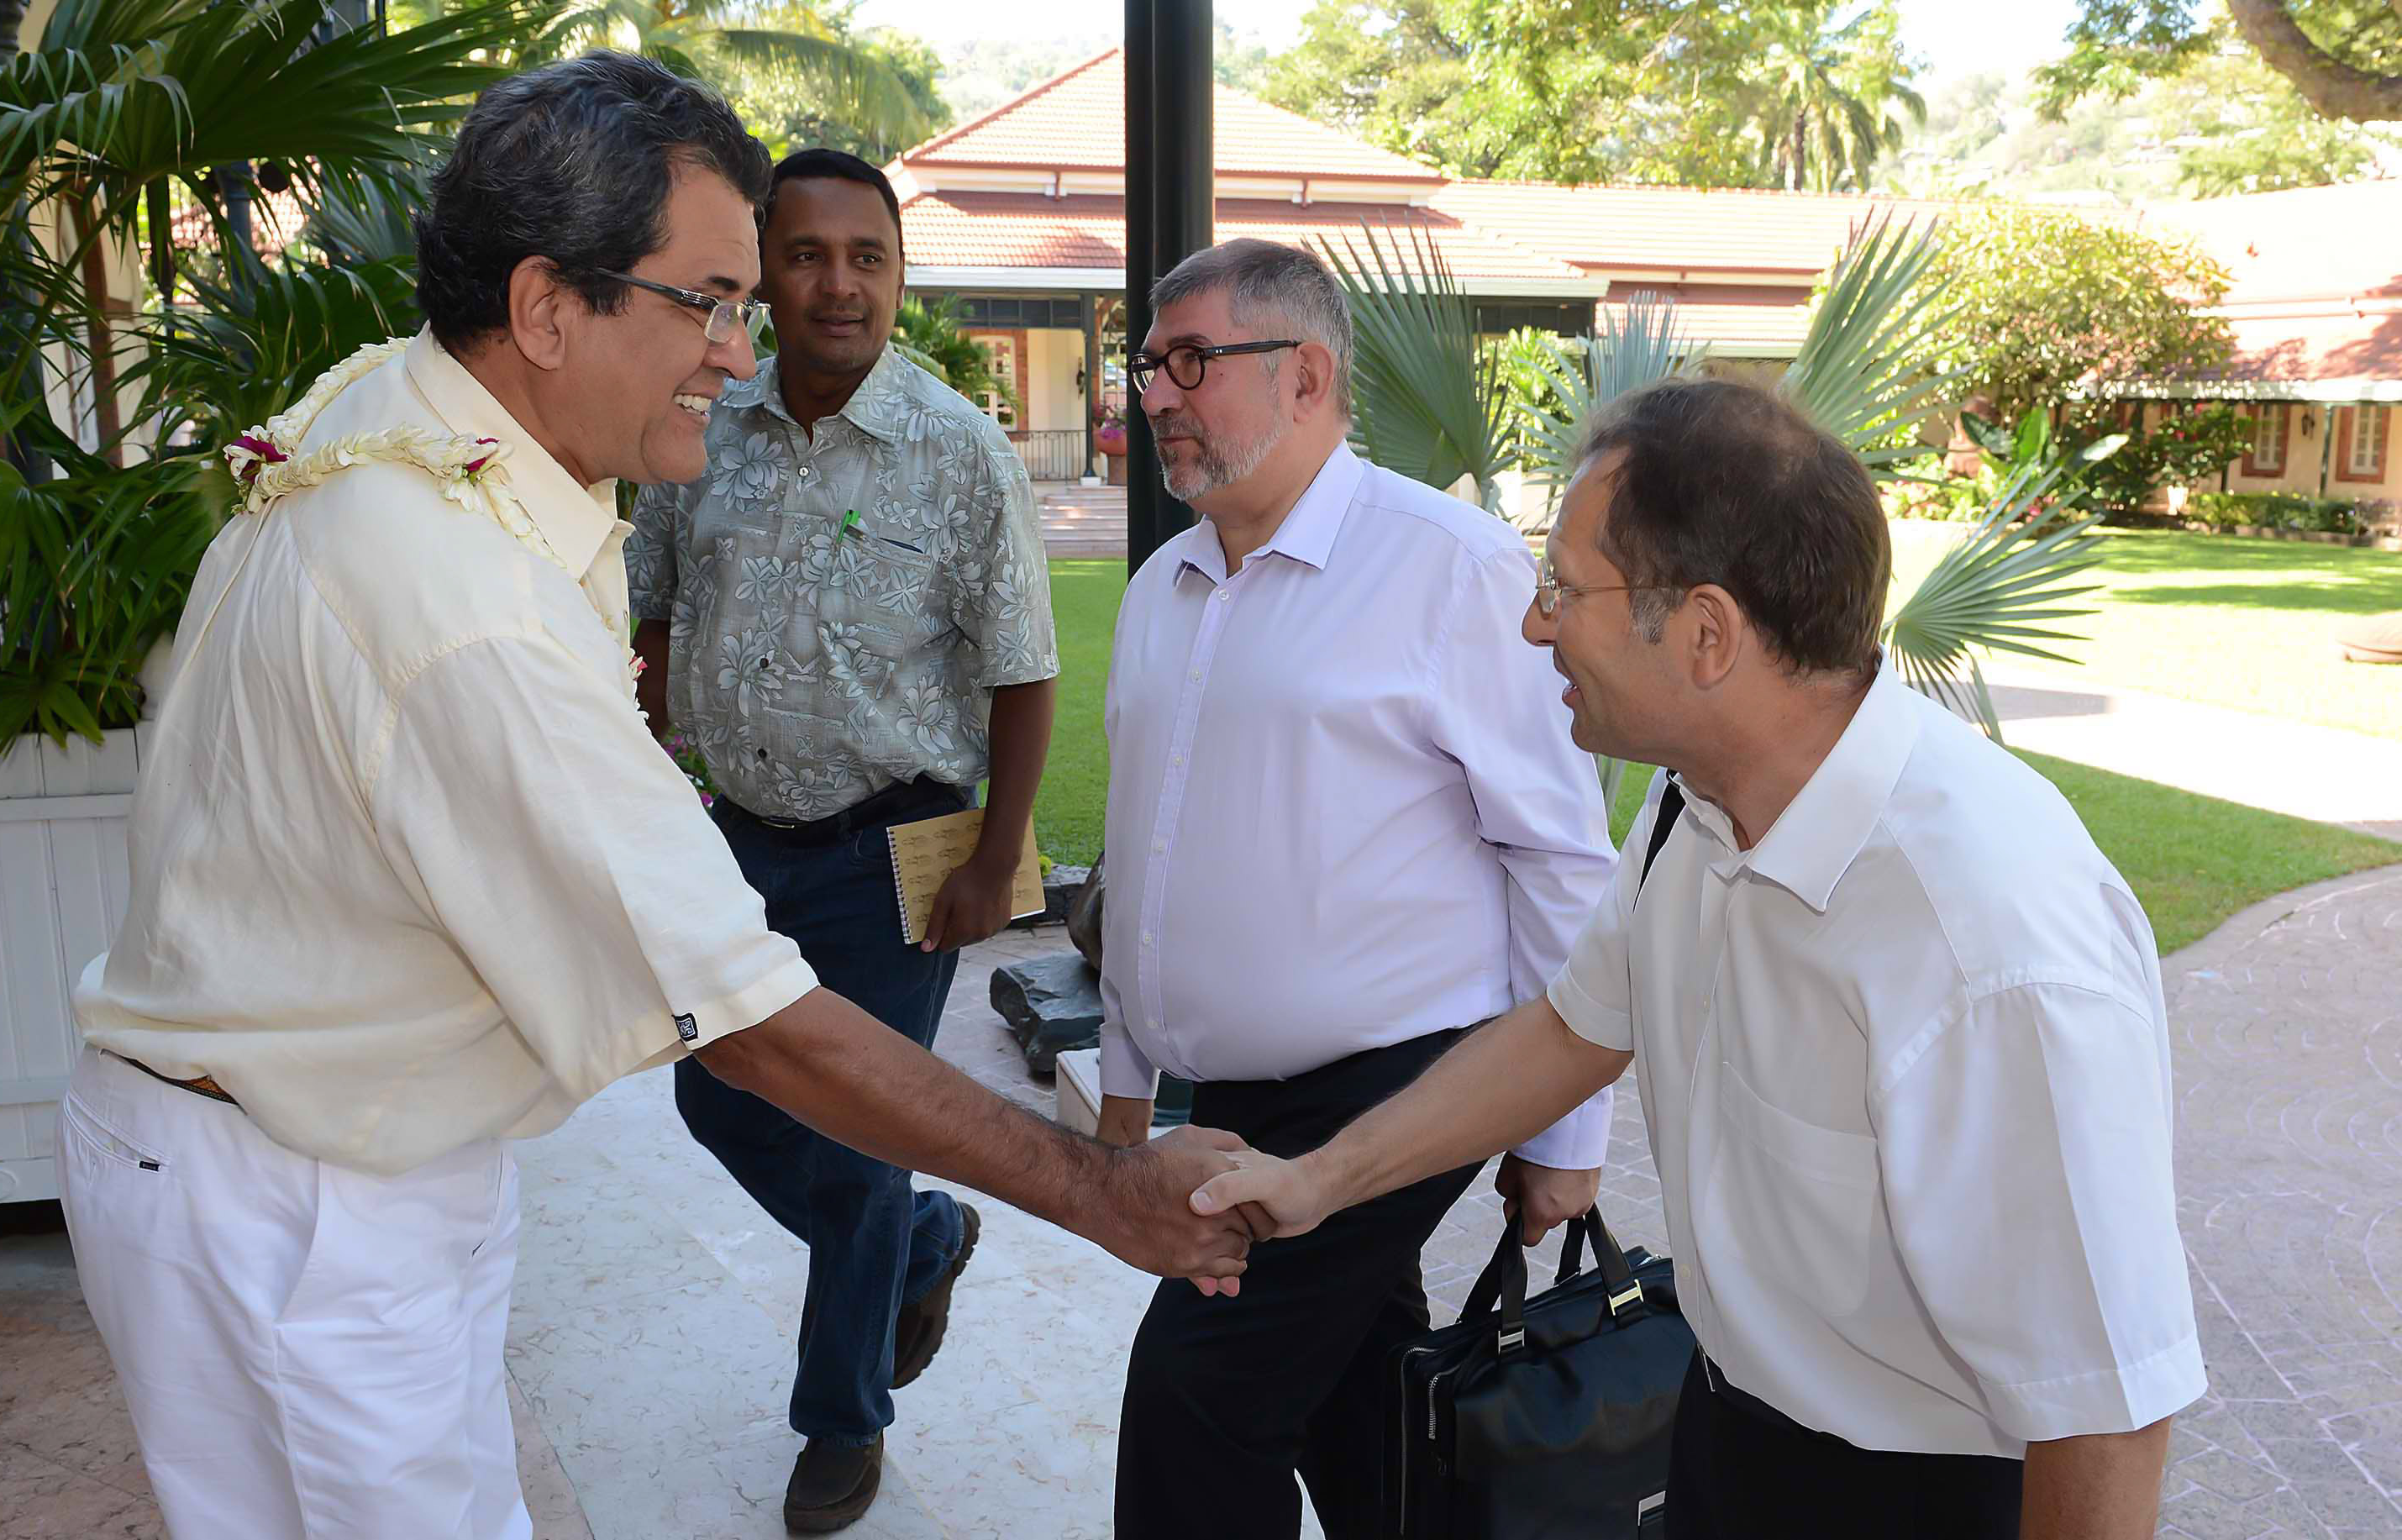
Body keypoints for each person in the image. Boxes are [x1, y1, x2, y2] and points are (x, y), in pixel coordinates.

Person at [56, 54, 1248, 1540]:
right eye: (713, 300)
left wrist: (990, 854)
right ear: (550, 305)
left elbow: (999, 669)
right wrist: (1102, 1189)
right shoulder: (458, 599)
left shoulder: (400, 405)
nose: (740, 354)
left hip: (338, 1138)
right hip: (300, 1203)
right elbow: (746, 1026)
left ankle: (856, 1365)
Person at [1194, 377, 2206, 1540]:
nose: (1534, 624)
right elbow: (1576, 1027)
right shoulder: (1697, 804)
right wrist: (1321, 1179)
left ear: (1708, 633)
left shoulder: (1988, 934)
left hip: (1910, 1499)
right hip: (1729, 1436)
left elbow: (2108, 1408)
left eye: (1564, 589)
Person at [1098, 239, 1620, 1540]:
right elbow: (1143, 856)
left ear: (1309, 374)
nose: (1154, 392)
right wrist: (1122, 1084)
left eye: (1191, 361)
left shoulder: (1450, 568)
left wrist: (1565, 1138)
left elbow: (1562, 857)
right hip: (1229, 1092)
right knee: (1353, 1399)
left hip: (1400, 1080)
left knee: (1194, 1401)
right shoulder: (1165, 587)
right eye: (1147, 363)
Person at [626, 146, 1059, 1532]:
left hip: (898, 853)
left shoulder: (961, 449)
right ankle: (926, 1242)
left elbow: (1024, 665)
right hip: (735, 842)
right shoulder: (700, 431)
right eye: (806, 254)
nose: (838, 283)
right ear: (765, 268)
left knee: (865, 1136)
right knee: (715, 1097)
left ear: (898, 277)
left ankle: (841, 1415)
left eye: (867, 257)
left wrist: (997, 857)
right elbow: (651, 616)